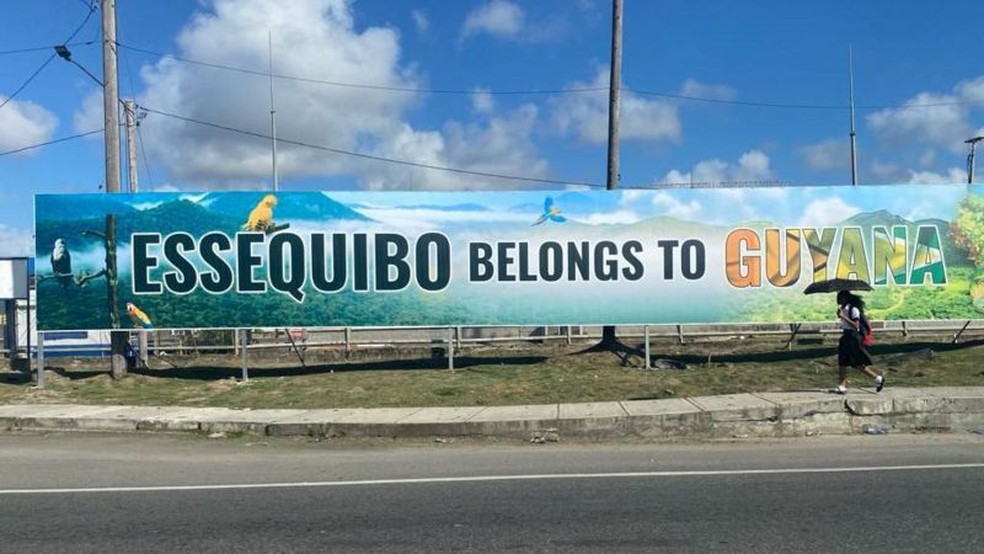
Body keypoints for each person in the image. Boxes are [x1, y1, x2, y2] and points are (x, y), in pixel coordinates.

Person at [834, 290, 884, 394]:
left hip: (853, 337)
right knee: (842, 361)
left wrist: (843, 317)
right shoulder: (843, 309)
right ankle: (841, 385)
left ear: (846, 298)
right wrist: (841, 316)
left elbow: (856, 326)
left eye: (841, 297)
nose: (838, 299)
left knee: (857, 363)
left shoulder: (854, 309)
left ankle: (877, 378)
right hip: (845, 336)